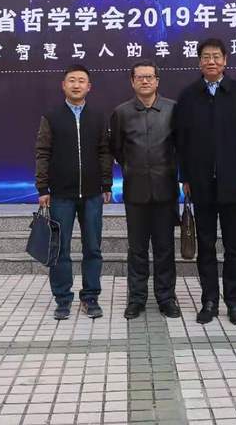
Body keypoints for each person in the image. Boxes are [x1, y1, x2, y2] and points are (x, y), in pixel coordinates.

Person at [175, 38, 236, 326]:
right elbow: (182, 141)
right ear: (199, 62)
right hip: (201, 184)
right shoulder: (189, 95)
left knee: (234, 246)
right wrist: (185, 176)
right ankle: (209, 300)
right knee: (206, 245)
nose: (211, 61)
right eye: (206, 57)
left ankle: (234, 302)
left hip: (233, 183)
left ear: (225, 60)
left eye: (216, 56)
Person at [35, 64, 113, 321]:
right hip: (60, 195)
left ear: (89, 87)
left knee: (93, 248)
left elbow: (105, 152)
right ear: (63, 85)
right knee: (60, 250)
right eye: (71, 80)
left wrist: (106, 184)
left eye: (81, 80)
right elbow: (42, 153)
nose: (76, 84)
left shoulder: (98, 116)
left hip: (92, 194)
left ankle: (90, 297)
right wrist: (42, 188)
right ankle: (63, 299)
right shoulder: (51, 116)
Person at [110, 60, 181, 320]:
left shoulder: (173, 109)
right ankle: (136, 298)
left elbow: (180, 146)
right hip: (136, 191)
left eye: (150, 76)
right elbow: (117, 149)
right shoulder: (121, 112)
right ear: (132, 81)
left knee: (165, 248)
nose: (145, 81)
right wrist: (133, 168)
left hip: (165, 190)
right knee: (137, 249)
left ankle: (166, 298)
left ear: (157, 80)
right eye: (140, 77)